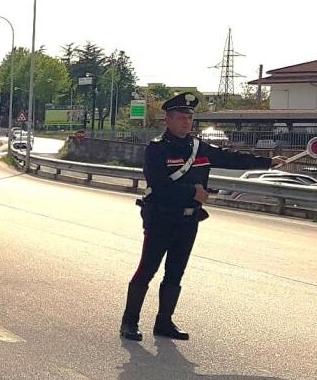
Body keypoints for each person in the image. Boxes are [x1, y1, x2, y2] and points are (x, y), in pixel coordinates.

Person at [119, 92, 281, 342]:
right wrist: (192, 192)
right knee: (147, 270)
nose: (186, 121)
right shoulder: (157, 149)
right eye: (181, 117)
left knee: (176, 272)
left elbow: (230, 157)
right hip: (161, 218)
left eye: (189, 117)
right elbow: (158, 185)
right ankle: (129, 322)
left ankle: (164, 322)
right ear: (168, 119)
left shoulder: (198, 147)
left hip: (189, 220)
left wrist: (268, 163)